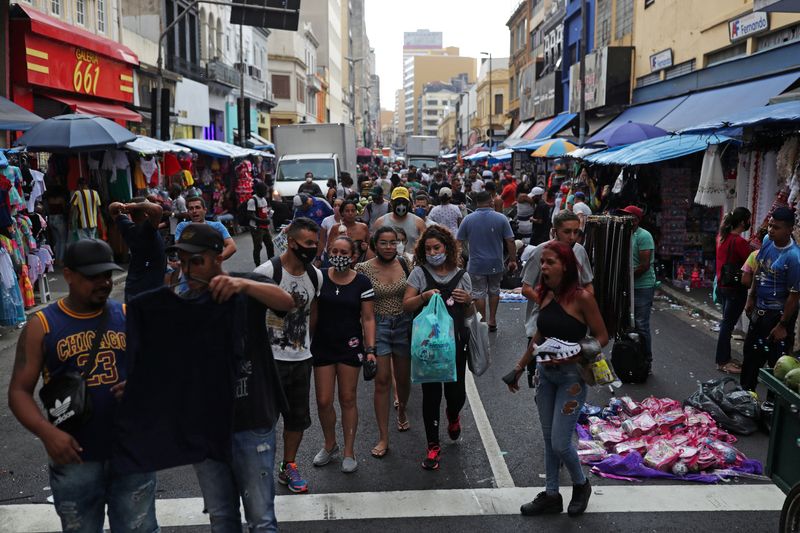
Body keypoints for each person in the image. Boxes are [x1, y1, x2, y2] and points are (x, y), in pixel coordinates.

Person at [8, 239, 158, 532]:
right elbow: (18, 392)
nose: (103, 282)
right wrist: (47, 433)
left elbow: (158, 373)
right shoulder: (42, 325)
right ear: (68, 275)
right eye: (93, 276)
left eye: (107, 275)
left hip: (131, 453)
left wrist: (141, 388)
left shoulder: (127, 315)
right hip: (75, 459)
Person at [166, 224, 295, 532]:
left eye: (195, 261)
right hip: (206, 426)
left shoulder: (244, 286)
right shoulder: (179, 298)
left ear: (216, 258)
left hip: (252, 419)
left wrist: (241, 285)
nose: (187, 270)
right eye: (182, 262)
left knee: (261, 519)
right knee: (222, 518)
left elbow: (285, 302)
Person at [507, 241, 608, 517]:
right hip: (545, 375)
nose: (544, 267)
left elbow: (602, 336)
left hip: (571, 379)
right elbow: (539, 337)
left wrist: (577, 352)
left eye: (550, 262)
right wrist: (518, 368)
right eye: (542, 262)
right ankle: (552, 494)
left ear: (565, 266)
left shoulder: (582, 298)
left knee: (560, 442)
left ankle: (581, 484)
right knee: (548, 437)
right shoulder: (547, 295)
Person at [254, 218, 323, 494]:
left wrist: (306, 345)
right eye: (308, 244)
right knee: (264, 421)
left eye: (315, 244)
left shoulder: (315, 275)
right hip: (269, 361)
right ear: (292, 243)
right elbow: (252, 314)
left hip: (300, 359)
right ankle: (259, 470)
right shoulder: (267, 272)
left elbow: (313, 313)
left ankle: (289, 466)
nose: (313, 248)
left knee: (297, 419)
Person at [403, 226, 473, 471]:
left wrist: (468, 302)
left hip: (455, 345)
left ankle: (453, 416)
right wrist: (424, 297)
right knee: (431, 396)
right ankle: (433, 445)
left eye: (437, 248)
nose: (433, 253)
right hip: (428, 348)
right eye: (428, 249)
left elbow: (471, 313)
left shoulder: (462, 275)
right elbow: (407, 305)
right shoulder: (419, 274)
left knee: (456, 394)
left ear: (447, 247)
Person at [311, 236, 377, 473]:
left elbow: (368, 318)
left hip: (350, 346)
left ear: (353, 256)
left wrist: (370, 350)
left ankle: (349, 451)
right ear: (328, 252)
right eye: (334, 251)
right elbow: (312, 313)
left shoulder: (362, 282)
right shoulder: (318, 277)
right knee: (323, 400)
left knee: (347, 399)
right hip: (322, 345)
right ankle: (330, 445)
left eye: (344, 252)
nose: (338, 255)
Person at [356, 227, 413, 458]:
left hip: (404, 326)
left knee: (403, 379)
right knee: (382, 382)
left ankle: (402, 412)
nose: (389, 247)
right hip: (377, 326)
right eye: (384, 243)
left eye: (393, 243)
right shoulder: (363, 269)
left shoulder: (407, 265)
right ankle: (383, 437)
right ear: (374, 244)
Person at [741, 207, 800, 392]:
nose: (771, 230)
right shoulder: (767, 241)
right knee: (751, 356)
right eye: (770, 225)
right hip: (760, 310)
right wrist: (751, 297)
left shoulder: (794, 257)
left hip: (779, 316)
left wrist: (783, 325)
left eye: (777, 227)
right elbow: (759, 269)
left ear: (790, 229)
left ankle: (772, 410)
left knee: (777, 364)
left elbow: (794, 296)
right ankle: (745, 398)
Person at [521, 210, 594, 341]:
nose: (572, 237)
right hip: (541, 327)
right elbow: (526, 289)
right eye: (567, 232)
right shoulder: (540, 251)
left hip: (572, 326)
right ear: (555, 232)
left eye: (576, 231)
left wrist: (585, 306)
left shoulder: (580, 250)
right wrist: (552, 308)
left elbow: (587, 283)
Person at [457, 191, 518, 331]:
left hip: (476, 264)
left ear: (476, 202)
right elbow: (510, 240)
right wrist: (513, 260)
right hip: (496, 262)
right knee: (494, 290)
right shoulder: (501, 218)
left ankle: (482, 321)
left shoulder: (468, 219)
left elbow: (458, 241)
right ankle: (492, 320)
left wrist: (458, 258)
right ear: (491, 201)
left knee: (478, 292)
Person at [714, 207, 752, 374]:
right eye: (748, 219)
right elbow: (750, 261)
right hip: (735, 289)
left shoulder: (722, 238)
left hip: (723, 286)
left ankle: (726, 358)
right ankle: (722, 361)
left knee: (726, 323)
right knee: (727, 325)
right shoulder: (739, 242)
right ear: (743, 222)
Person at [109, 198, 165, 302]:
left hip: (133, 289)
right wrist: (134, 206)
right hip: (148, 292)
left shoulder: (127, 226)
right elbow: (157, 209)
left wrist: (123, 206)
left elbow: (112, 208)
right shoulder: (147, 230)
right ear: (146, 214)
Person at [623, 205, 656, 366]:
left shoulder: (644, 236)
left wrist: (625, 277)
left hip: (643, 286)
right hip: (628, 286)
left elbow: (644, 265)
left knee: (641, 324)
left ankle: (646, 360)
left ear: (636, 219)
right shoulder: (623, 234)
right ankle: (631, 357)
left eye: (629, 216)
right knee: (628, 324)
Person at [175, 196, 237, 260]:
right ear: (188, 212)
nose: (194, 211)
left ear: (205, 210)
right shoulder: (182, 226)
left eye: (197, 207)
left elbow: (232, 246)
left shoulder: (217, 226)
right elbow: (179, 248)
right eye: (191, 208)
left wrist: (215, 260)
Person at [374, 187, 426, 251]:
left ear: (409, 203)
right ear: (391, 203)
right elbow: (374, 247)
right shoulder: (380, 222)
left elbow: (425, 246)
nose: (401, 205)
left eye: (404, 201)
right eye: (397, 201)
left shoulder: (419, 223)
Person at [325, 199, 372, 263]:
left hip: (360, 263)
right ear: (342, 213)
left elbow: (370, 247)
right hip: (340, 263)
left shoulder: (363, 227)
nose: (350, 213)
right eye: (347, 211)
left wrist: (366, 247)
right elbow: (329, 248)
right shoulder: (336, 228)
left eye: (353, 211)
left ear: (356, 212)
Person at [247, 181, 275, 267]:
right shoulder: (252, 200)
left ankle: (272, 263)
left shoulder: (264, 199)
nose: (265, 193)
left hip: (265, 226)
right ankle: (257, 265)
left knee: (270, 245)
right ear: (258, 190)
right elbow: (250, 215)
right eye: (264, 191)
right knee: (258, 246)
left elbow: (264, 211)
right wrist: (262, 221)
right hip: (256, 227)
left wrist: (269, 213)